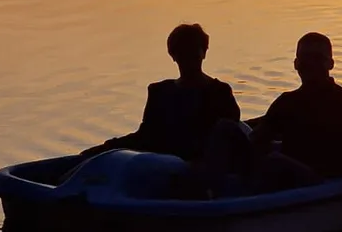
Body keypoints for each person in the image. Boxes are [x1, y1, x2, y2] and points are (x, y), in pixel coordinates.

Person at [248, 32, 342, 220]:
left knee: (274, 161)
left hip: (325, 182)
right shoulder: (286, 103)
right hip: (289, 180)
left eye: (317, 58)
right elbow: (256, 142)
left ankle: (249, 210)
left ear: (330, 64)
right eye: (305, 58)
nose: (310, 64)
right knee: (227, 129)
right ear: (296, 64)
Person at [77, 24, 241, 165]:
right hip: (159, 164)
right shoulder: (159, 92)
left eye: (193, 51)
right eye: (183, 52)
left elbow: (228, 138)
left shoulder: (220, 92)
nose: (188, 58)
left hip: (199, 167)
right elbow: (145, 136)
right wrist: (106, 148)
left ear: (204, 53)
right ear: (173, 55)